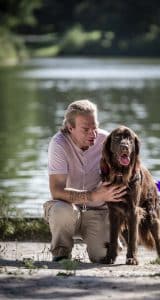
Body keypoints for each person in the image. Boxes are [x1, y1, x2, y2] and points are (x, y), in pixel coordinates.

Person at [43, 99, 126, 263]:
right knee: (61, 210)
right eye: (86, 129)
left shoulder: (107, 141)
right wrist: (93, 195)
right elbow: (56, 191)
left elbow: (129, 169)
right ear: (70, 128)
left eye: (94, 127)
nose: (92, 134)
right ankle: (61, 254)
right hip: (68, 210)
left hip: (98, 213)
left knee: (104, 257)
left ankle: (108, 240)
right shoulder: (59, 144)